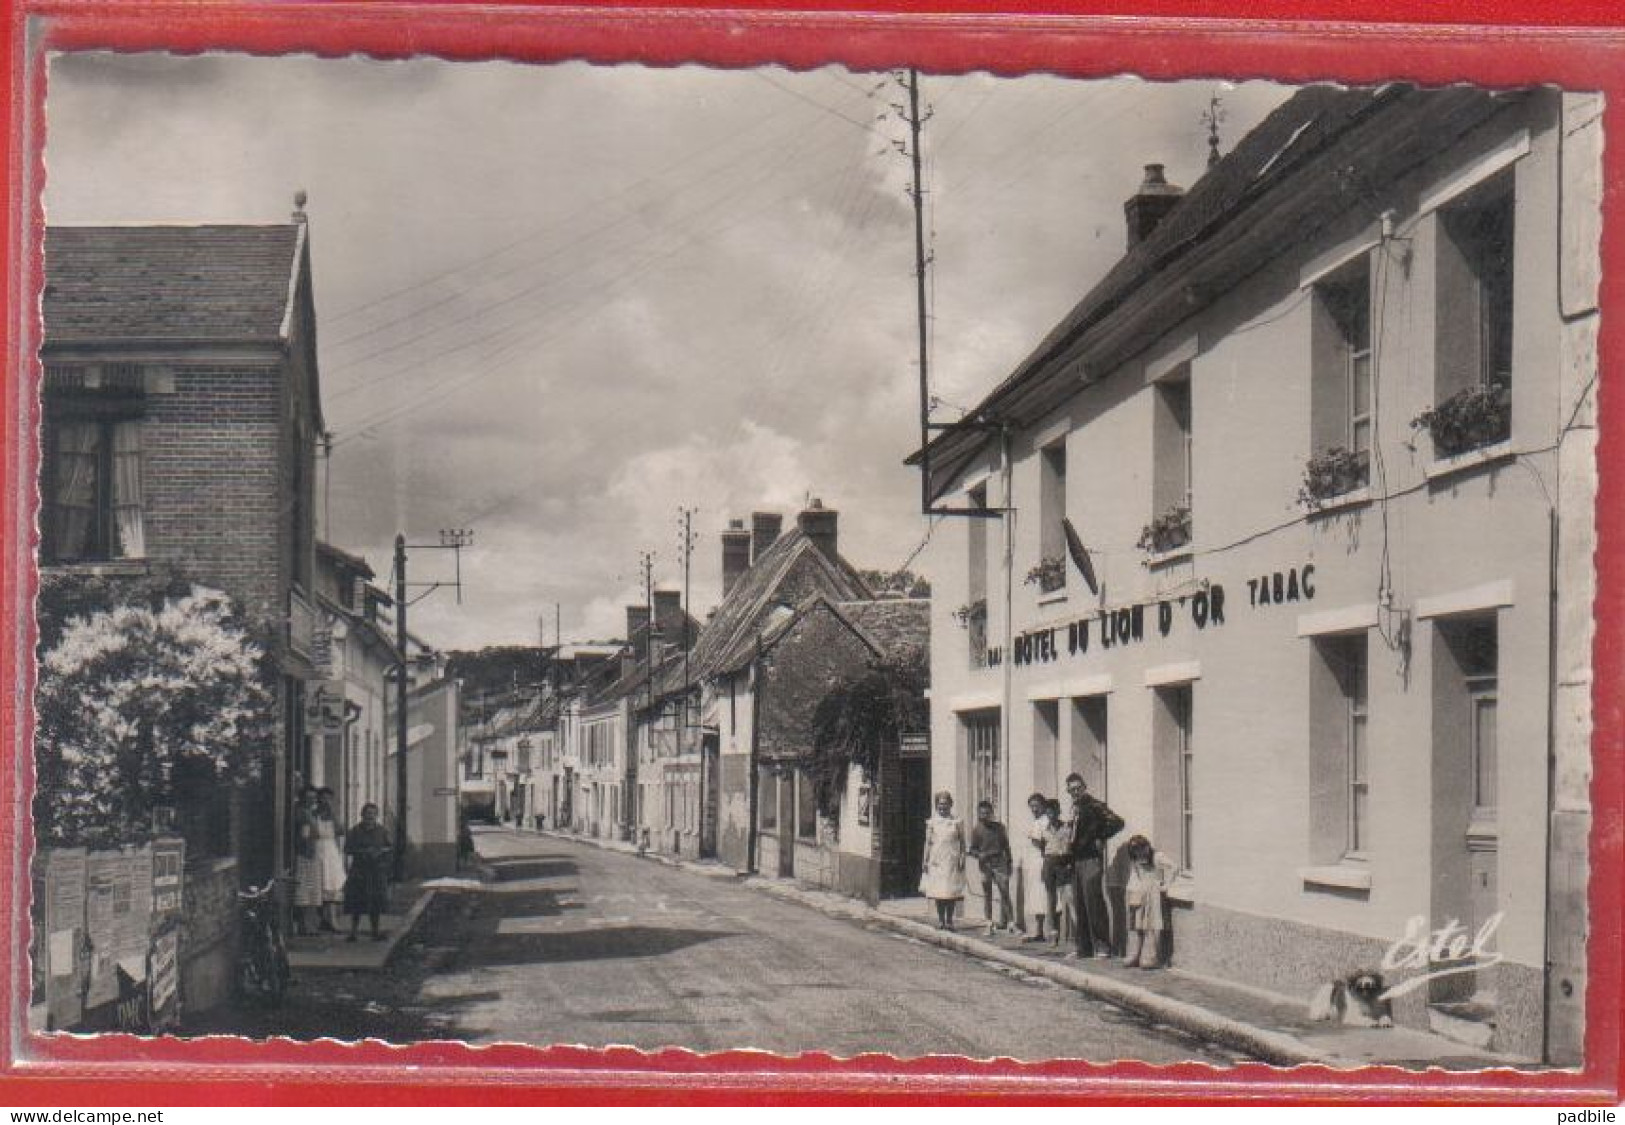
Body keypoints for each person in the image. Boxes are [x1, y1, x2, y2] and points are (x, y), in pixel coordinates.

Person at [1065, 772, 1124, 959]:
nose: (1075, 792)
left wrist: (1100, 836)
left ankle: (1102, 946)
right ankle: (1084, 948)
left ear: (1084, 787)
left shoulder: (1095, 805)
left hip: (1091, 859)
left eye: (1078, 788)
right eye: (1071, 789)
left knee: (1093, 902)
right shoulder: (1073, 809)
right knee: (1079, 903)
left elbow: (1117, 822)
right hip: (1075, 860)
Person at [1121, 835, 1179, 969]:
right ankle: (1136, 954)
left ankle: (1154, 956)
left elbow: (1174, 867)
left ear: (1146, 847)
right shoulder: (1136, 859)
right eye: (1135, 851)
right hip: (1140, 893)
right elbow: (1135, 876)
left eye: (1141, 849)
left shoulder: (1157, 857)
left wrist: (1166, 885)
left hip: (1154, 895)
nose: (1139, 853)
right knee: (1138, 925)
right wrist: (1133, 894)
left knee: (1152, 925)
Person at [343, 803, 392, 942]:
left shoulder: (382, 831)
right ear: (362, 814)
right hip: (359, 870)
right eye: (367, 813)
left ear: (376, 816)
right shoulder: (355, 831)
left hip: (376, 871)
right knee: (356, 902)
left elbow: (389, 847)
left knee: (375, 902)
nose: (370, 816)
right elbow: (347, 849)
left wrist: (380, 852)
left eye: (373, 813)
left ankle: (375, 931)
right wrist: (363, 852)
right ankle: (353, 932)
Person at [919, 790, 967, 931]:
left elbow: (962, 842)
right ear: (936, 805)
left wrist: (962, 858)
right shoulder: (932, 822)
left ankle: (950, 921)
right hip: (937, 860)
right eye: (940, 804)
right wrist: (925, 860)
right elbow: (927, 842)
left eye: (945, 804)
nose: (942, 807)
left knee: (950, 893)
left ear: (950, 804)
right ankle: (941, 921)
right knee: (939, 892)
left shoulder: (956, 822)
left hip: (952, 859)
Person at [967, 798, 1014, 936]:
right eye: (981, 813)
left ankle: (1011, 923)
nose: (984, 816)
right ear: (978, 814)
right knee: (987, 894)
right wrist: (979, 855)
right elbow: (972, 850)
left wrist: (1009, 861)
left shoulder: (1000, 827)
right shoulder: (976, 830)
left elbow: (1006, 845)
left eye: (987, 813)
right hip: (985, 864)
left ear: (992, 813)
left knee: (1004, 891)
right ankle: (989, 923)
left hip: (999, 862)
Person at [1040, 798, 1075, 948]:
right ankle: (1054, 934)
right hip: (1049, 863)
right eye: (1048, 812)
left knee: (1069, 898)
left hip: (1063, 863)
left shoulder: (1067, 827)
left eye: (1053, 812)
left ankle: (1076, 935)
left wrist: (1067, 863)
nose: (1051, 815)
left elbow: (1071, 847)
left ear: (1058, 812)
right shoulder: (1045, 829)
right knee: (1051, 900)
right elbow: (1043, 848)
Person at [1019, 793, 1051, 943]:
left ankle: (1048, 931)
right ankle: (1039, 931)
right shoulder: (1036, 821)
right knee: (1037, 896)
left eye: (1037, 805)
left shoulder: (1045, 822)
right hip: (1033, 863)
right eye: (1031, 806)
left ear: (1043, 806)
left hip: (1042, 861)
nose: (1034, 809)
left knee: (1043, 895)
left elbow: (1043, 843)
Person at [291, 787, 323, 936]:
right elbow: (304, 836)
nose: (312, 801)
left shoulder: (311, 813)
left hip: (312, 854)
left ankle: (310, 926)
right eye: (309, 798)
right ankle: (304, 926)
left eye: (314, 798)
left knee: (311, 890)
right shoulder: (302, 813)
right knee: (304, 890)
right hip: (305, 856)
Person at [313, 787, 345, 932]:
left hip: (330, 851)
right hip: (317, 849)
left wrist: (332, 814)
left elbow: (340, 831)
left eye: (328, 798)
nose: (325, 801)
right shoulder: (313, 814)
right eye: (323, 798)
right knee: (319, 885)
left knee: (331, 885)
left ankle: (332, 920)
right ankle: (321, 919)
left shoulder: (332, 816)